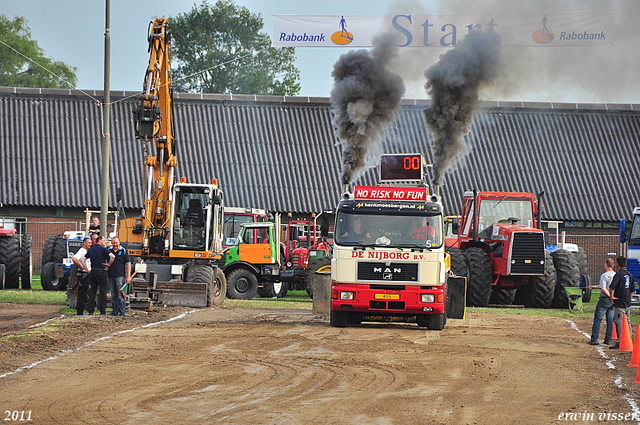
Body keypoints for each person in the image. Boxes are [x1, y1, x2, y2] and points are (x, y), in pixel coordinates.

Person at [609, 256, 636, 349]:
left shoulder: (618, 275)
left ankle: (620, 341)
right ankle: (629, 340)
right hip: (627, 303)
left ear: (618, 265)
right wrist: (629, 298)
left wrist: (612, 297)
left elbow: (612, 287)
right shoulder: (630, 274)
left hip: (619, 302)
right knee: (628, 322)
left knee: (619, 322)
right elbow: (633, 290)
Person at [587, 258, 616, 345]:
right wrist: (594, 287)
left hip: (605, 299)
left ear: (606, 265)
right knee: (610, 320)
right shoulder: (615, 275)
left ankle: (594, 338)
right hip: (613, 300)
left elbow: (603, 288)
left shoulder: (604, 275)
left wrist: (609, 296)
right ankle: (608, 340)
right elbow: (604, 286)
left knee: (598, 319)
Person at [86, 235, 115, 315]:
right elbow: (113, 256)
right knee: (103, 291)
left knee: (92, 291)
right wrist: (108, 264)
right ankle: (102, 311)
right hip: (102, 271)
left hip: (93, 270)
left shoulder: (92, 249)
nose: (105, 242)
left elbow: (83, 259)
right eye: (104, 240)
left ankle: (91, 311)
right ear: (100, 241)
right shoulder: (103, 249)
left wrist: (86, 269)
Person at [108, 237, 131, 317]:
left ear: (119, 242)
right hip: (110, 276)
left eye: (116, 243)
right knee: (113, 295)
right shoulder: (109, 251)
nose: (115, 244)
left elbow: (128, 264)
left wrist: (128, 276)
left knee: (120, 295)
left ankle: (122, 313)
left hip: (120, 276)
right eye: (113, 243)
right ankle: (114, 312)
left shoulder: (123, 251)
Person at [72, 237, 92, 316]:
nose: (90, 244)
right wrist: (80, 266)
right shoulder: (82, 251)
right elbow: (74, 258)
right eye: (89, 243)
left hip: (86, 273)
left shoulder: (86, 251)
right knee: (82, 293)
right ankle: (79, 312)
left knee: (84, 292)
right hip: (83, 274)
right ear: (84, 243)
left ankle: (81, 310)